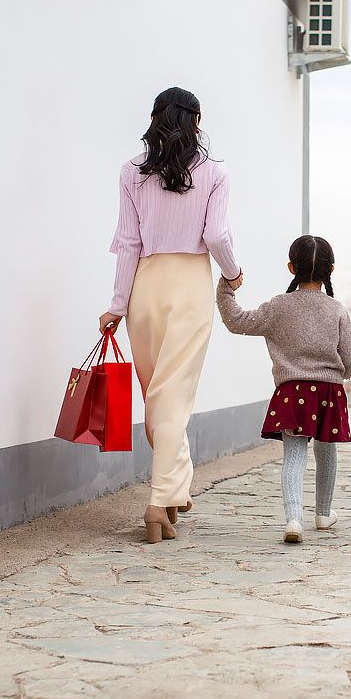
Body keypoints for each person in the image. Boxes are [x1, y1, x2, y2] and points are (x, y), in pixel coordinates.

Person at [97, 86, 242, 544]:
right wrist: (234, 274)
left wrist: (117, 305)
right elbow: (217, 235)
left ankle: (176, 487)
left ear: (156, 120)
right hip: (189, 288)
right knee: (172, 397)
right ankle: (159, 500)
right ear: (196, 122)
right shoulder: (215, 173)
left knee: (157, 397)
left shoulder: (131, 173)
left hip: (145, 288)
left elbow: (127, 244)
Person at [216, 235, 351, 544]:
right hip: (328, 393)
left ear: (291, 267)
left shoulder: (278, 307)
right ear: (330, 270)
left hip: (292, 392)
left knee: (293, 456)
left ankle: (294, 519)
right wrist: (348, 369)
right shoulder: (337, 310)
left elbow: (236, 320)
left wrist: (226, 286)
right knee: (326, 451)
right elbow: (349, 361)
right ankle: (323, 514)